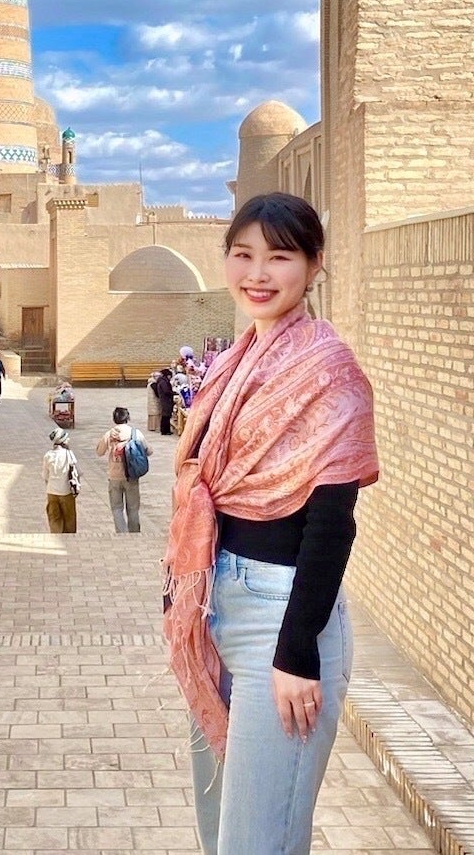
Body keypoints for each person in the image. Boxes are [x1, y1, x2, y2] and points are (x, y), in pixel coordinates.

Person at [164, 192, 380, 855]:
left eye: (279, 257)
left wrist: (296, 651)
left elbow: (332, 524)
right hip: (217, 609)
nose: (257, 274)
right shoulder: (235, 363)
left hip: (281, 619)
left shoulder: (327, 370)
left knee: (256, 843)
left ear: (313, 265)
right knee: (219, 835)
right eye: (243, 254)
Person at [96, 406, 150, 533]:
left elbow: (99, 452)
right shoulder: (135, 434)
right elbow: (149, 450)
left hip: (114, 476)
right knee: (133, 508)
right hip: (131, 475)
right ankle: (134, 533)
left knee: (116, 508)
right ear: (127, 418)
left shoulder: (109, 434)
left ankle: (122, 533)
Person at [42, 427, 78, 533]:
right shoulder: (69, 454)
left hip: (51, 492)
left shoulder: (48, 455)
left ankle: (55, 538)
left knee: (54, 520)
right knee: (69, 521)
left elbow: (45, 475)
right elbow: (78, 472)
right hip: (66, 492)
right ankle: (69, 541)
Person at [153, 367, 177, 435]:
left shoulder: (162, 381)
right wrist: (173, 393)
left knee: (166, 415)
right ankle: (165, 430)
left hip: (165, 399)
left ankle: (166, 430)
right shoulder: (163, 382)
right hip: (166, 400)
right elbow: (166, 391)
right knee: (166, 415)